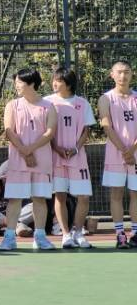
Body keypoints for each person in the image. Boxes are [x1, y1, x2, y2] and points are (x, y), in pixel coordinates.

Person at [0, 68, 57, 251]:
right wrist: (25, 152)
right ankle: (9, 237)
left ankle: (40, 237)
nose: (16, 85)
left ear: (31, 83)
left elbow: (50, 132)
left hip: (41, 161)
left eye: (19, 82)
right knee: (15, 199)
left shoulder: (48, 106)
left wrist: (30, 150)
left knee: (39, 198)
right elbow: (9, 131)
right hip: (18, 161)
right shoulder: (12, 105)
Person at [45, 67, 95, 249]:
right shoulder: (47, 102)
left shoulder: (82, 103)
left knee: (84, 197)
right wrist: (56, 147)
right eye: (54, 80)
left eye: (59, 80)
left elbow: (85, 131)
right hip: (56, 157)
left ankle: (78, 232)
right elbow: (46, 130)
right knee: (60, 196)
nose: (54, 83)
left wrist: (75, 148)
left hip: (77, 158)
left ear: (68, 84)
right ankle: (65, 234)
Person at [97, 60, 137, 249]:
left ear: (132, 74)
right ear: (111, 74)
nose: (123, 76)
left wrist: (132, 150)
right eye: (119, 72)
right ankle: (120, 234)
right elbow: (107, 126)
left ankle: (135, 233)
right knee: (116, 193)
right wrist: (124, 150)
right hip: (115, 154)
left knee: (136, 193)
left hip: (135, 154)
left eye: (126, 72)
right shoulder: (106, 99)